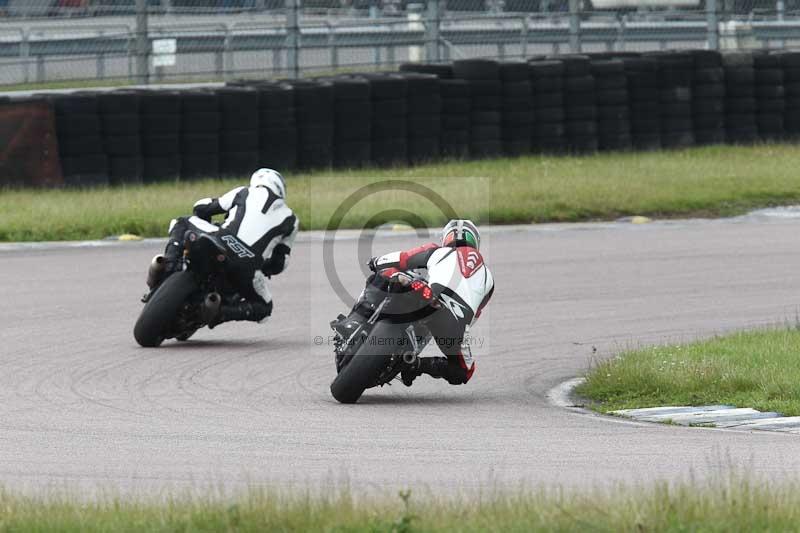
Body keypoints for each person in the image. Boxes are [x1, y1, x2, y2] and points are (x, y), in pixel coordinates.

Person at [146, 168, 299, 327]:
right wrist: (263, 268)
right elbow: (279, 263)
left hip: (220, 241)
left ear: (256, 182)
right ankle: (222, 312)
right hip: (247, 267)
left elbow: (201, 207)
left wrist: (207, 220)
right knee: (264, 308)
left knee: (182, 221)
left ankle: (168, 264)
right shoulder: (292, 220)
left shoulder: (244, 192)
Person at [362, 219, 494, 386]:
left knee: (384, 274)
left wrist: (375, 262)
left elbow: (403, 258)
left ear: (446, 237)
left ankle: (358, 317)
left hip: (429, 294)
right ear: (475, 241)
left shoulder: (438, 251)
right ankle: (416, 365)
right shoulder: (488, 279)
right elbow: (475, 315)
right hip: (455, 319)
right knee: (464, 372)